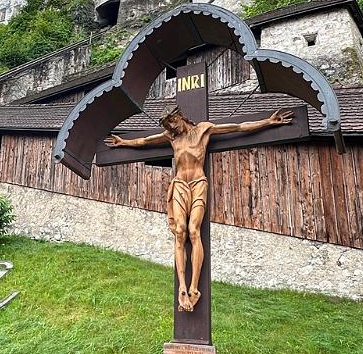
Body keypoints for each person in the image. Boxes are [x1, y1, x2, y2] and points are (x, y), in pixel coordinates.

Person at [104, 107, 294, 311]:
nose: (171, 128)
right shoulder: (171, 138)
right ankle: (182, 288)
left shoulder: (204, 130)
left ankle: (194, 287)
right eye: (167, 126)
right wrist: (123, 142)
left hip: (198, 184)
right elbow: (144, 141)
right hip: (179, 185)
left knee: (194, 231)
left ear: (179, 117)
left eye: (172, 123)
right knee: (179, 232)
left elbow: (238, 127)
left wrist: (268, 122)